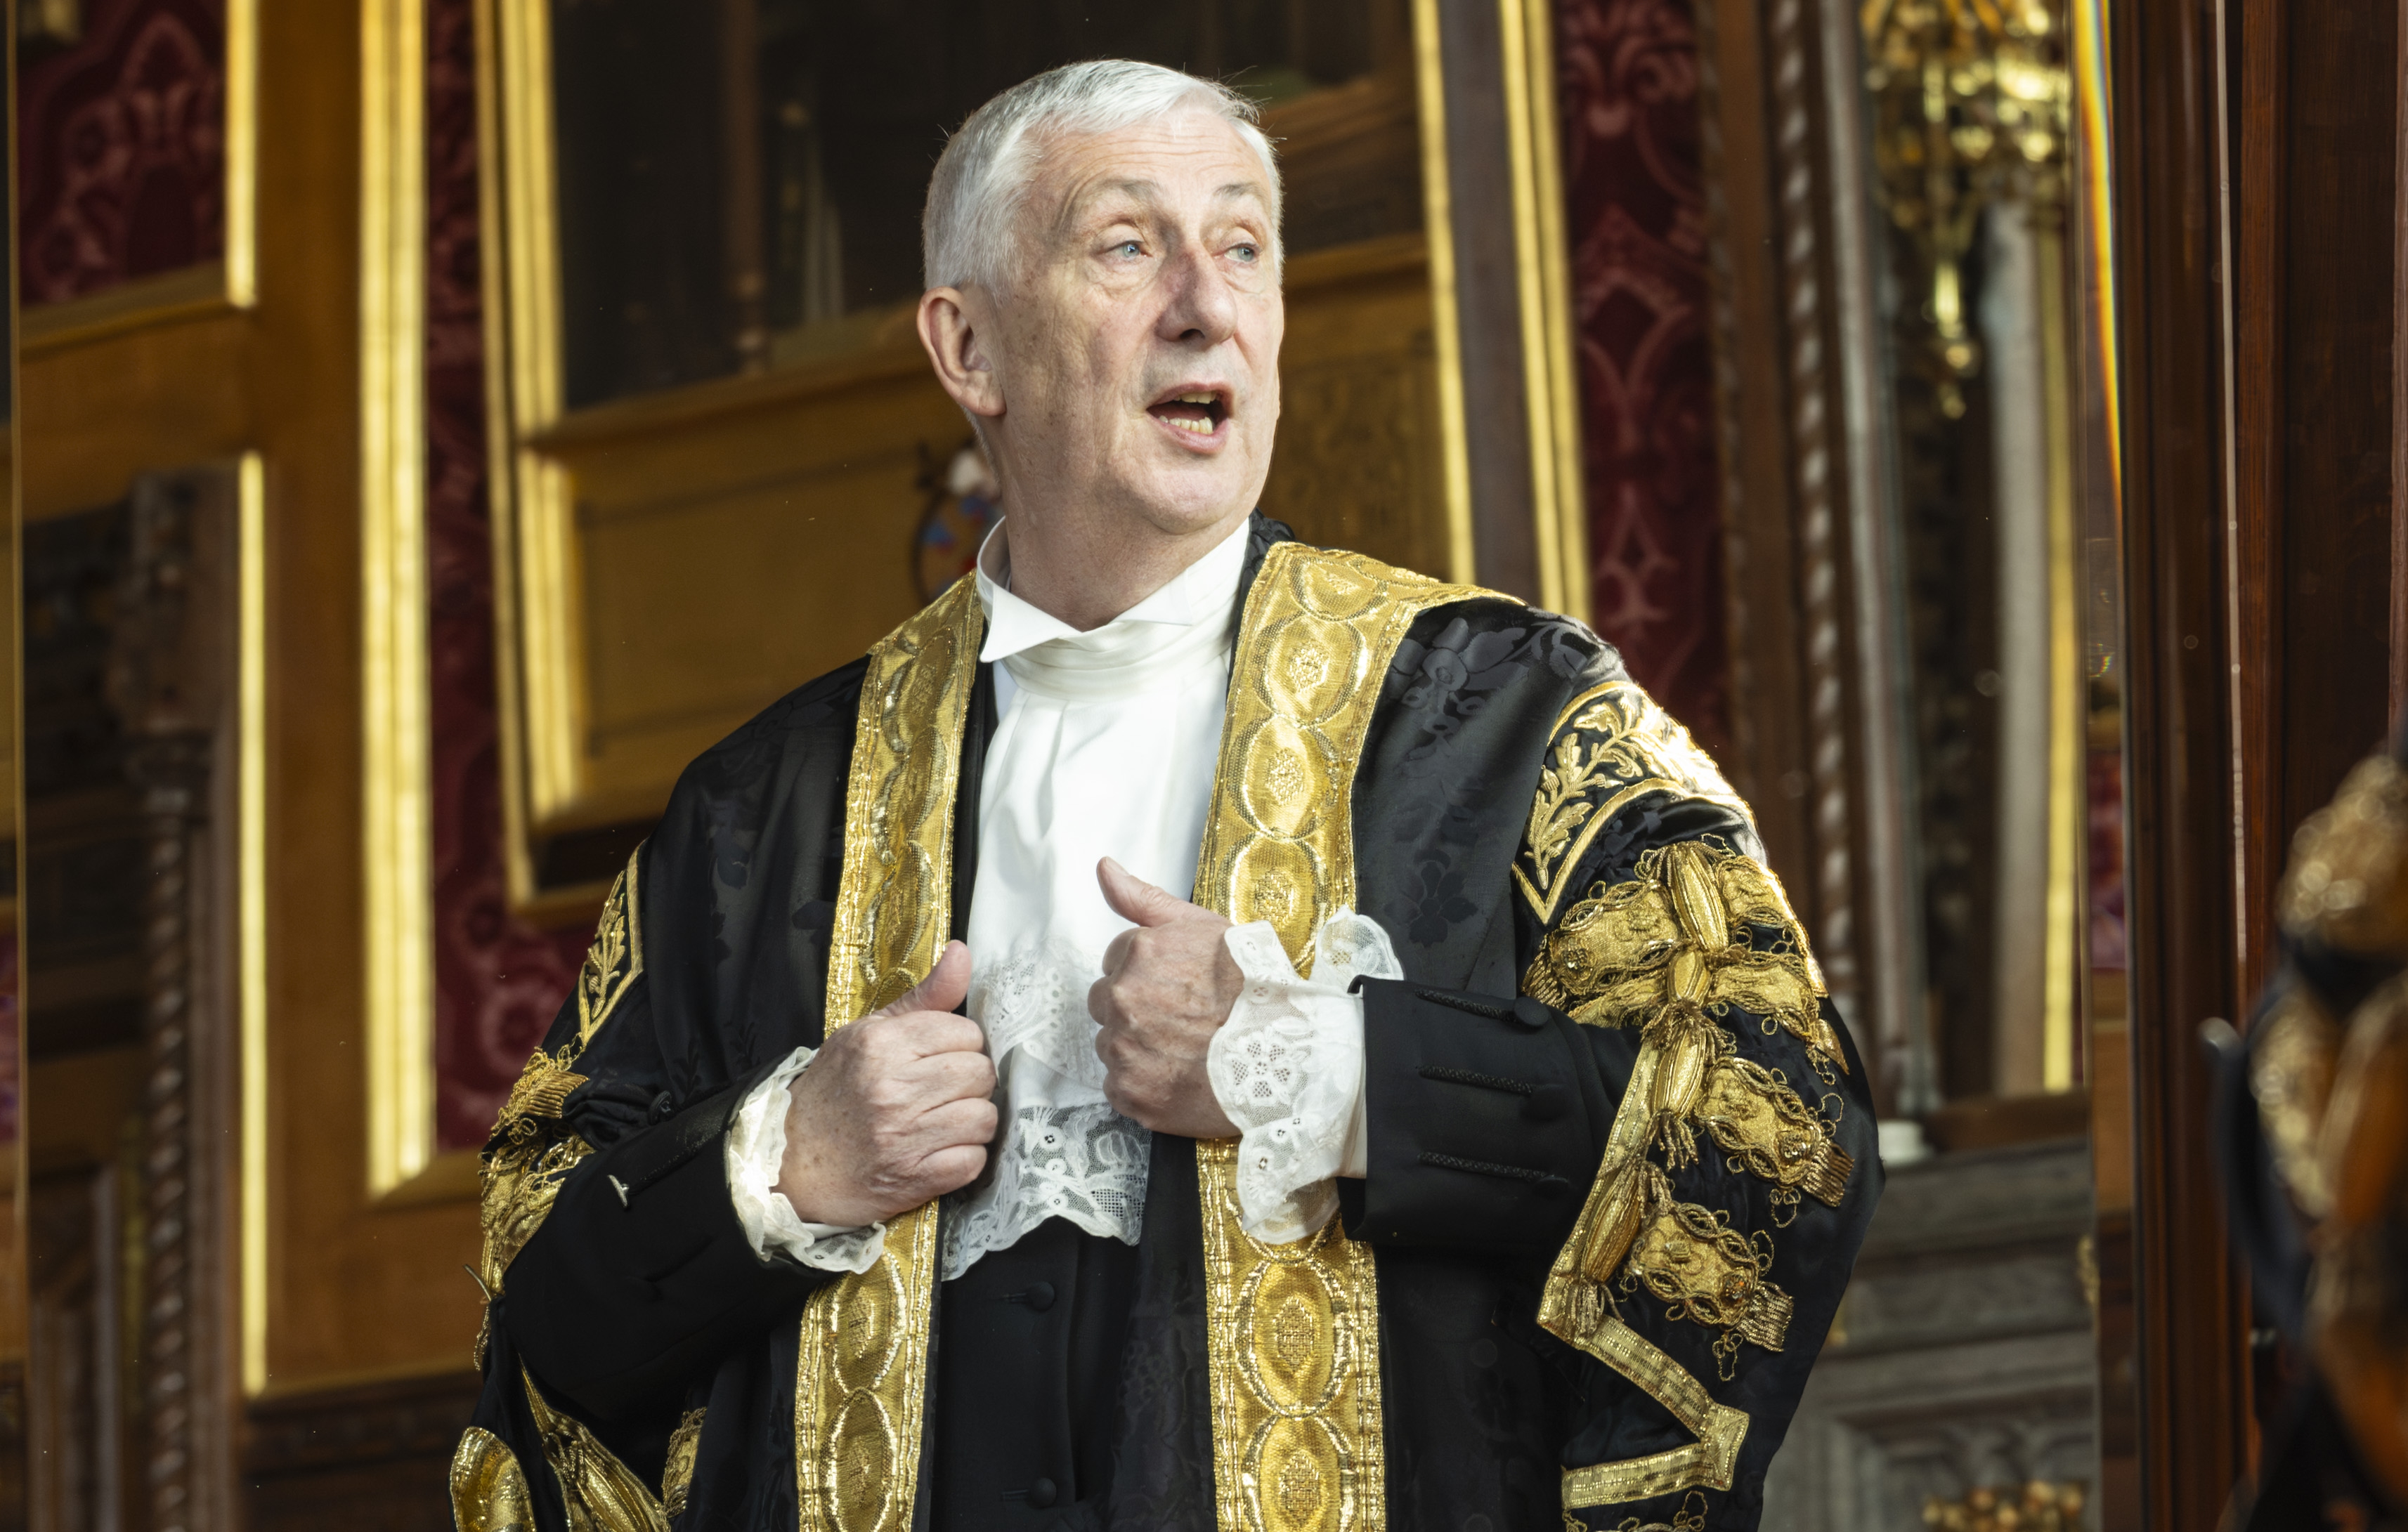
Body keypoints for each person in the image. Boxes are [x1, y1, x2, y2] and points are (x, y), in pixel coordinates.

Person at [448, 60, 1880, 1532]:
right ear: (969, 346)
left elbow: (1778, 1136)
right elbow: (543, 1317)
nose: (1207, 304)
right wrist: (782, 1162)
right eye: (1128, 246)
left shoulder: (1510, 716)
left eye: (1244, 244)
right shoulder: (758, 815)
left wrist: (1312, 1069)